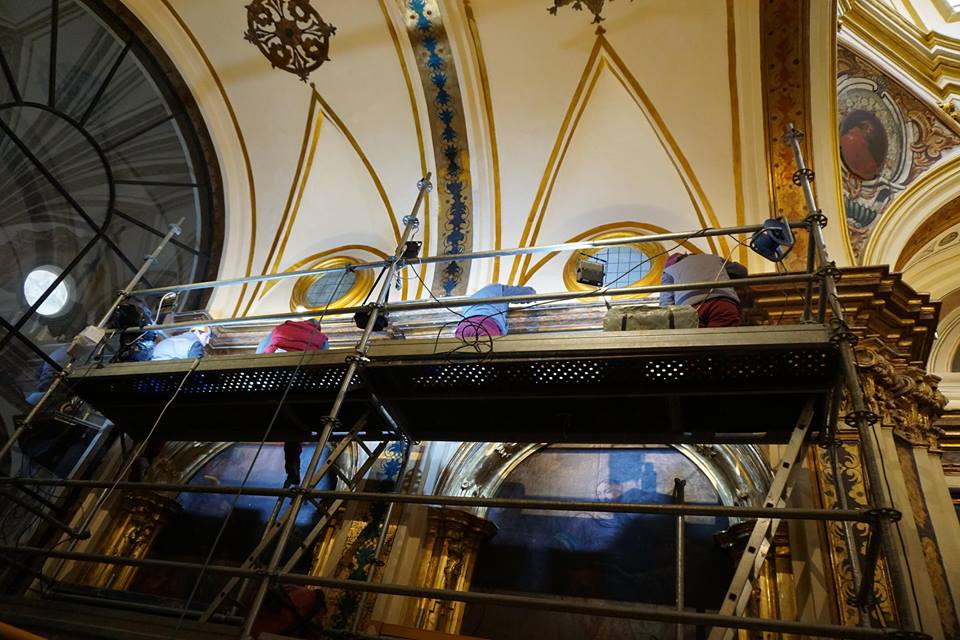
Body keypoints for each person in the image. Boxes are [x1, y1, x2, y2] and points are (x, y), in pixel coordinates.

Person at [256, 319, 329, 486]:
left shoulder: (281, 327)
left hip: (271, 377)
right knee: (294, 427)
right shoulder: (321, 337)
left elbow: (260, 350)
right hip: (299, 385)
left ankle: (292, 463)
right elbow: (323, 363)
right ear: (317, 327)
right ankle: (292, 465)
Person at [659, 253, 747, 328]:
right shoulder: (713, 258)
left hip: (689, 311)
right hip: (722, 303)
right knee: (725, 342)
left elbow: (666, 304)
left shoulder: (669, 270)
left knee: (696, 345)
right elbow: (741, 271)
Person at [455, 283, 537, 339]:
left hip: (463, 327)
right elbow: (526, 293)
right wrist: (534, 294)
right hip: (484, 324)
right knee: (490, 356)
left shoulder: (472, 298)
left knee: (458, 356)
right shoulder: (496, 289)